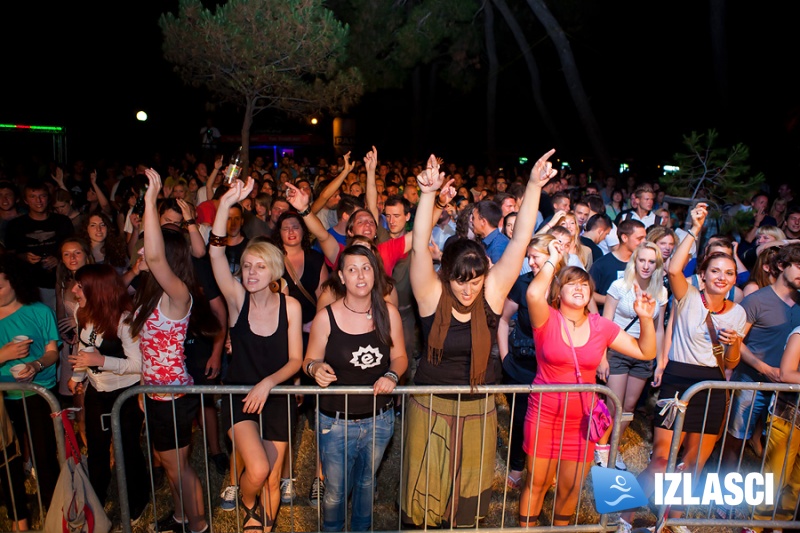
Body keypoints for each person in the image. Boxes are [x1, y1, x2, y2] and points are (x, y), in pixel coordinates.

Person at [401, 150, 556, 528]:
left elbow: (520, 241)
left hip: (478, 407)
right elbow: (420, 246)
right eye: (460, 280)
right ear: (446, 276)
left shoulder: (490, 293)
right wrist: (427, 196)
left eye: (475, 280)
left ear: (485, 274)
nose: (468, 290)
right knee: (425, 488)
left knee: (468, 493)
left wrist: (533, 186)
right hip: (430, 406)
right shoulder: (431, 295)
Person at [620, 203, 746, 533]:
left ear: (734, 279)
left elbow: (731, 363)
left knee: (692, 464)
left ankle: (671, 522)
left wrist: (733, 344)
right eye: (715, 271)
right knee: (661, 461)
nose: (722, 277)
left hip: (713, 388)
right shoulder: (687, 295)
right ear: (703, 274)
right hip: (679, 379)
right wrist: (694, 227)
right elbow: (674, 269)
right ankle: (623, 514)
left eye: (729, 273)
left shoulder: (738, 313)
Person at [520, 240, 656, 526]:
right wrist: (553, 259)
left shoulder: (600, 326)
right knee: (538, 481)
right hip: (545, 414)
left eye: (584, 284)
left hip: (581, 419)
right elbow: (533, 293)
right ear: (558, 291)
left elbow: (646, 352)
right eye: (571, 283)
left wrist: (646, 319)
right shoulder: (547, 319)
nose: (580, 287)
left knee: (570, 487)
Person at [209, 178, 303, 532]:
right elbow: (216, 253)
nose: (251, 272)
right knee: (258, 469)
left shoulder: (290, 306)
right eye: (247, 265)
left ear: (274, 270)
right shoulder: (237, 300)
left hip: (275, 395)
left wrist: (268, 383)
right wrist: (224, 205)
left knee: (274, 476)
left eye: (259, 266)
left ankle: (260, 528)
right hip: (241, 397)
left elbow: (295, 360)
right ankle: (247, 504)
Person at [128, 169, 220, 533]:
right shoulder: (152, 294)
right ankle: (182, 517)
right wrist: (141, 384)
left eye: (155, 249)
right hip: (154, 392)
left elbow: (152, 257)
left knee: (179, 468)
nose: (144, 251)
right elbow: (149, 348)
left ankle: (198, 526)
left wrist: (150, 201)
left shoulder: (179, 294)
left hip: (172, 397)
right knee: (169, 467)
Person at [303, 244, 407, 531]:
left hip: (379, 419)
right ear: (341, 277)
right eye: (352, 269)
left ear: (375, 273)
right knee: (335, 491)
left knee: (366, 483)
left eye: (366, 268)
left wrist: (392, 376)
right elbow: (309, 359)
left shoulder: (388, 313)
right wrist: (315, 369)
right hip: (335, 422)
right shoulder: (327, 316)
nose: (360, 275)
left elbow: (399, 357)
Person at [66, 264, 149, 523]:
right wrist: (77, 377)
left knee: (127, 447)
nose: (74, 290)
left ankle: (139, 499)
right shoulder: (83, 312)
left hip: (125, 393)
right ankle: (97, 504)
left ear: (97, 289)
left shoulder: (124, 319)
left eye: (80, 286)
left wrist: (102, 361)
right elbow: (84, 347)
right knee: (97, 449)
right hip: (97, 392)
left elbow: (138, 365)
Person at [497, 234, 566, 489]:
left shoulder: (566, 284)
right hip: (522, 366)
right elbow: (503, 319)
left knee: (553, 421)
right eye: (529, 256)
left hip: (555, 369)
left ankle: (548, 468)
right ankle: (517, 467)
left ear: (552, 257)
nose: (530, 262)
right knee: (520, 420)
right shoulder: (522, 283)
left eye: (535, 256)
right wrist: (505, 356)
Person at [595, 242, 667, 470]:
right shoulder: (619, 286)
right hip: (617, 349)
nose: (646, 266)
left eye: (651, 261)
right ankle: (602, 447)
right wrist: (602, 357)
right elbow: (604, 323)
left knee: (629, 407)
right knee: (613, 404)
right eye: (642, 260)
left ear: (657, 265)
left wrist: (660, 361)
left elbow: (659, 329)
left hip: (644, 355)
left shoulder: (661, 291)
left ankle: (613, 448)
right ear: (634, 261)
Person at [0, 254, 61, 507]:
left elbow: (52, 352)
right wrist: (5, 355)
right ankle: (16, 511)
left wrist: (35, 365)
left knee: (44, 455)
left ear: (15, 282)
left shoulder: (39, 311)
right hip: (3, 399)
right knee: (7, 458)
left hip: (39, 392)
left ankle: (56, 509)